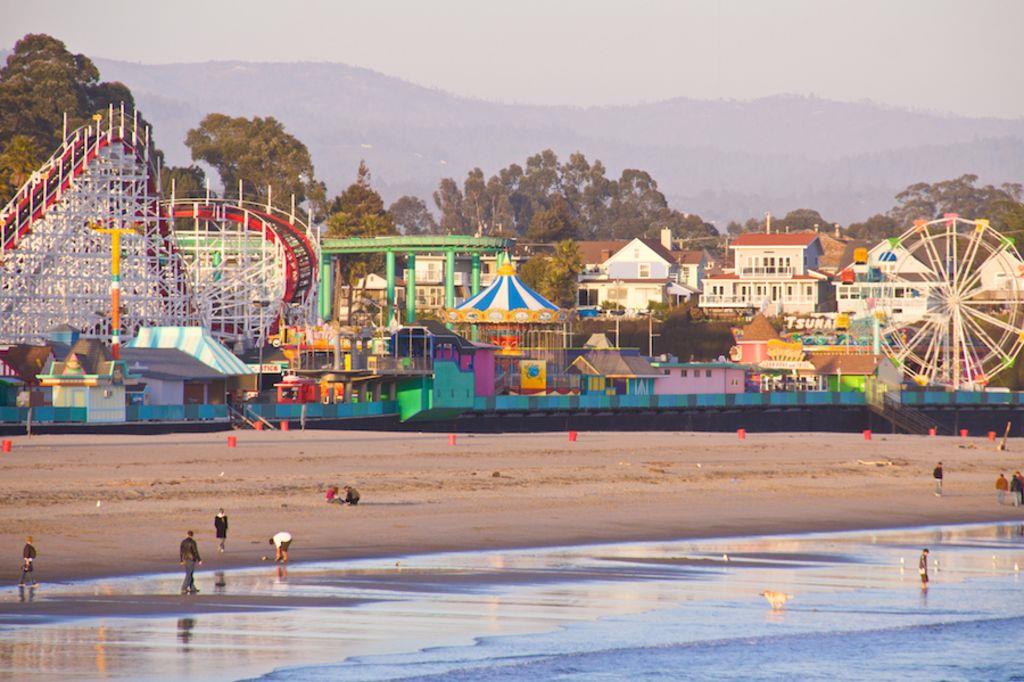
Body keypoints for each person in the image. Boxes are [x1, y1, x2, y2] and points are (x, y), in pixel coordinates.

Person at [179, 530, 202, 594]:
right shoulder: (193, 542)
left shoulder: (183, 542)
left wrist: (181, 560)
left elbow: (181, 551)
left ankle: (192, 588)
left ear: (187, 534)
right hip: (191, 559)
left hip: (185, 559)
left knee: (190, 573)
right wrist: (199, 559)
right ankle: (184, 588)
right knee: (189, 574)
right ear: (192, 535)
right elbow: (195, 551)